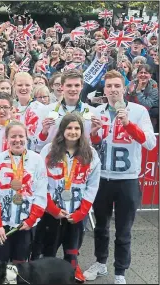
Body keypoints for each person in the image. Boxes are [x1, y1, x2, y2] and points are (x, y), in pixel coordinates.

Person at [83, 71, 156, 284]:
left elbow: (150, 143)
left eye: (117, 85)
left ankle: (120, 271)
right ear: (104, 90)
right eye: (109, 86)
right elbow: (91, 144)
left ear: (124, 88)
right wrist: (95, 134)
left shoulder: (139, 111)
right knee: (101, 227)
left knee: (123, 230)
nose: (113, 90)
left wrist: (128, 124)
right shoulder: (97, 111)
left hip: (127, 179)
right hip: (102, 178)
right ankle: (100, 262)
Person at [38, 113, 101, 282]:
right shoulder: (48, 150)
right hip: (53, 211)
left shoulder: (91, 154)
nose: (73, 131)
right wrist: (52, 209)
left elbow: (92, 186)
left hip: (76, 212)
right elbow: (41, 182)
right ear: (62, 130)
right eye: (69, 128)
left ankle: (71, 274)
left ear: (81, 131)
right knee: (48, 250)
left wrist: (82, 212)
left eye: (77, 128)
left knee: (72, 249)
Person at [0, 121, 48, 264]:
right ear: (6, 139)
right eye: (13, 136)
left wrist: (31, 219)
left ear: (27, 138)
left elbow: (41, 194)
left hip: (25, 223)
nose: (17, 140)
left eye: (21, 136)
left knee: (20, 265)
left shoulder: (37, 160)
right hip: (2, 223)